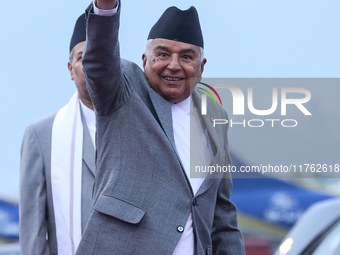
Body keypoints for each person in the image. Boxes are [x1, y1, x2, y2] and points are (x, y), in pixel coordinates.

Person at [76, 1, 245, 254]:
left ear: (201, 67)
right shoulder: (125, 90)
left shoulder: (215, 117)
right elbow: (99, 62)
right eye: (163, 54)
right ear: (145, 60)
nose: (174, 65)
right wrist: (106, 8)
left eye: (186, 57)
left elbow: (222, 214)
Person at [19, 13, 96, 255]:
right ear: (71, 69)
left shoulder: (139, 126)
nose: (92, 65)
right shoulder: (41, 136)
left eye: (100, 56)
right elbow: (33, 231)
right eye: (83, 57)